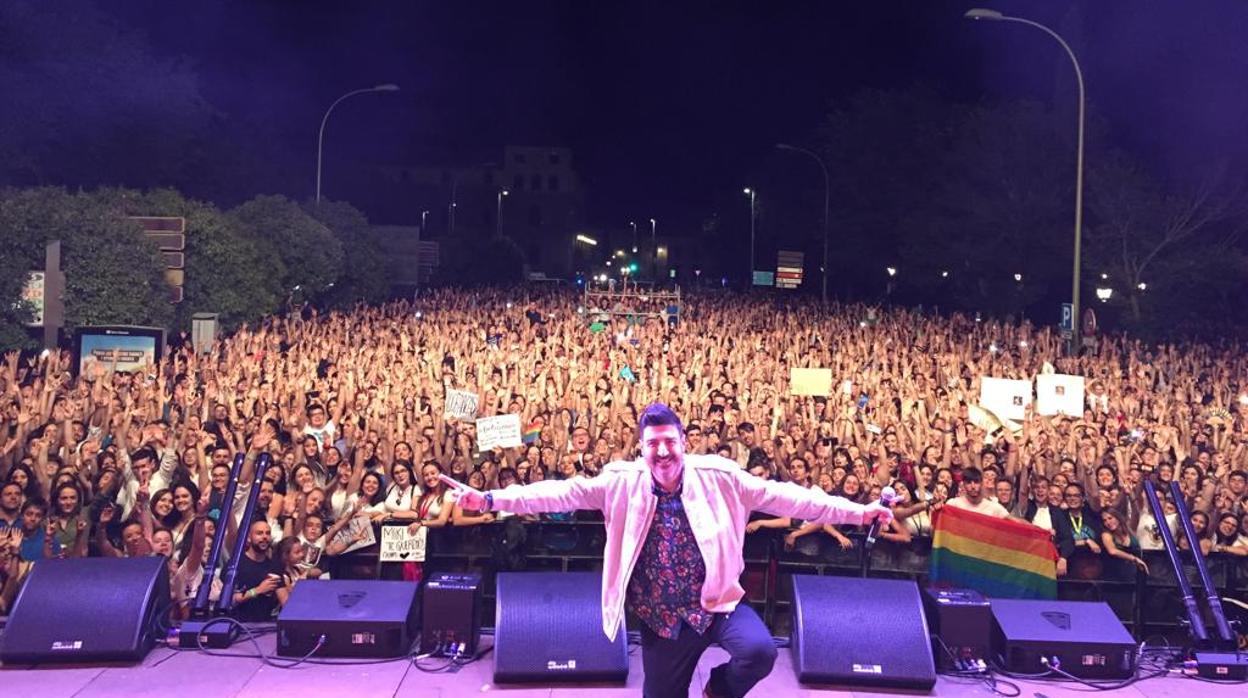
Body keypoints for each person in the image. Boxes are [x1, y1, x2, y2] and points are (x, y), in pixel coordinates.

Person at [449, 403, 893, 698]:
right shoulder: (620, 482)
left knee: (759, 652)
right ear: (642, 449)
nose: (662, 452)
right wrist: (489, 500)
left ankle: (719, 690)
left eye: (670, 442)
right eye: (652, 444)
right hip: (662, 618)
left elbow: (790, 498)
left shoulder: (721, 475)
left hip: (717, 603)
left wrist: (860, 512)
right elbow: (558, 494)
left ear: (684, 442)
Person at [231, 519, 283, 622]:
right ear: (249, 538)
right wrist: (258, 590)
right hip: (238, 626)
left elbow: (285, 601)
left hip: (265, 627)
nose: (264, 537)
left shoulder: (274, 566)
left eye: (267, 533)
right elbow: (231, 599)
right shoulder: (235, 564)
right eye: (259, 533)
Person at [944, 468, 1010, 519]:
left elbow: (1013, 522)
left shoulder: (994, 507)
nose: (973, 486)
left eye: (976, 482)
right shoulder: (953, 504)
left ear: (981, 483)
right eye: (969, 483)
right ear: (963, 484)